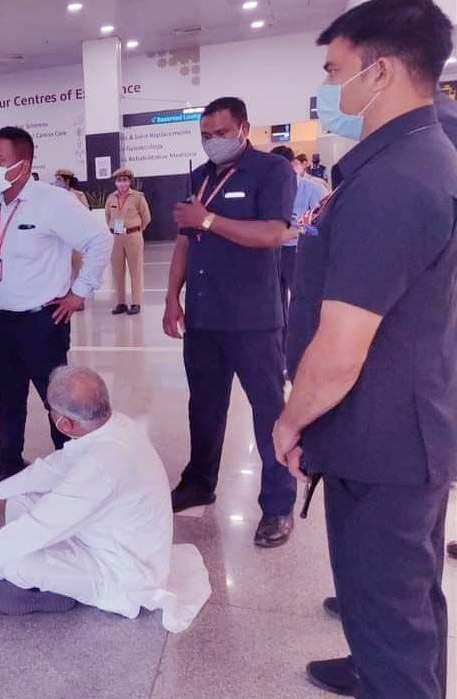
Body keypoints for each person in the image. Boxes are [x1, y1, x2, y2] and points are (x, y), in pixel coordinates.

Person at [275, 2, 457, 696]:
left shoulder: (394, 181)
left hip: (381, 441)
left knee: (391, 626)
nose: (328, 89)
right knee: (408, 602)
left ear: (377, 72)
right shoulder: (418, 155)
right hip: (401, 429)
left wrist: (291, 420)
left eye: (334, 71)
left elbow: (344, 345)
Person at [0, 366, 210, 629]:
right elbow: (58, 465)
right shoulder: (114, 424)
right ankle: (20, 557)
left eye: (49, 410)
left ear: (65, 423)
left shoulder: (101, 465)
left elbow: (39, 526)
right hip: (105, 535)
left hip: (120, 571)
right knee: (22, 496)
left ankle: (62, 593)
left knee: (13, 567)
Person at [166, 96, 299, 548]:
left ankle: (278, 505)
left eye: (220, 133)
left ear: (243, 128)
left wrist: (209, 219)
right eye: (205, 134)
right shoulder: (200, 176)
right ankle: (198, 481)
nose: (212, 142)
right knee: (203, 407)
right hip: (203, 318)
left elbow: (273, 233)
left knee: (268, 412)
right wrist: (171, 298)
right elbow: (185, 242)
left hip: (254, 320)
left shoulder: (270, 171)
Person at [0, 126, 112, 495]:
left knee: (57, 402)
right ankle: (9, 466)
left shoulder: (53, 202)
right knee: (8, 400)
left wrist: (79, 293)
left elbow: (99, 240)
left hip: (42, 322)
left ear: (23, 165)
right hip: (2, 322)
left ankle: (70, 472)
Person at [271, 146, 326, 360]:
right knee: (277, 304)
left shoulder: (314, 190)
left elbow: (323, 226)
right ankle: (283, 352)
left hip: (300, 253)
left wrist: (297, 230)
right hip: (274, 253)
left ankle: (309, 349)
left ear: (293, 165)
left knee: (303, 303)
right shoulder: (270, 191)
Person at [105, 167, 151, 316]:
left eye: (124, 180)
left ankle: (136, 303)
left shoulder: (138, 197)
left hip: (133, 236)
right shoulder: (111, 198)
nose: (121, 183)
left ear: (129, 181)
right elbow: (108, 217)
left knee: (135, 271)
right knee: (118, 271)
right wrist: (114, 230)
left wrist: (137, 229)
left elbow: (146, 217)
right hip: (116, 238)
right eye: (119, 180)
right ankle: (121, 303)